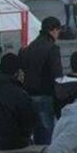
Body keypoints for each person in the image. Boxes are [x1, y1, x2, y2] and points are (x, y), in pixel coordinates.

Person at [20, 16, 63, 145]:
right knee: (47, 133)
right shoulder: (52, 49)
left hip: (28, 95)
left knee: (36, 132)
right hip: (46, 95)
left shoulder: (27, 49)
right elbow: (57, 76)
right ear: (53, 30)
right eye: (58, 31)